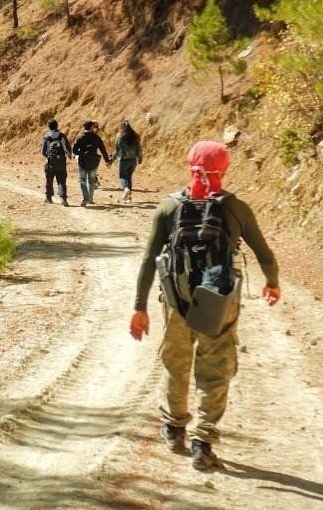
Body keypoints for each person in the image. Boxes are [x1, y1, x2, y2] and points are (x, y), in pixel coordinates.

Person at [131, 140, 280, 471]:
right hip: (220, 302)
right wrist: (272, 283)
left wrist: (139, 306)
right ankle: (203, 442)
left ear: (188, 166)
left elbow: (147, 261)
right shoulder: (236, 208)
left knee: (175, 364)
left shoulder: (168, 208)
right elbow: (265, 254)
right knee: (215, 370)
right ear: (224, 170)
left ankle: (174, 428)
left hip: (176, 300)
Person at [72, 120, 112, 207]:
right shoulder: (97, 138)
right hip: (94, 162)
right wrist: (107, 161)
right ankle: (90, 199)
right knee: (91, 181)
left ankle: (85, 197)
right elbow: (103, 150)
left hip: (82, 162)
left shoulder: (79, 137)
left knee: (82, 180)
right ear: (91, 127)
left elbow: (74, 150)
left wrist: (80, 154)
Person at [41, 118, 73, 206]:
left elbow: (43, 152)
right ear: (57, 125)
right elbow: (68, 148)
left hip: (50, 163)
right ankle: (64, 199)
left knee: (49, 180)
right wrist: (69, 156)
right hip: (61, 162)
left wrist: (49, 157)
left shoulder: (46, 137)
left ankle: (49, 198)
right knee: (61, 181)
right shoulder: (62, 136)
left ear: (48, 126)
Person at [112, 120, 143, 203]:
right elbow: (139, 148)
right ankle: (129, 198)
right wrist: (140, 158)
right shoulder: (135, 136)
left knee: (122, 176)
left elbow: (117, 151)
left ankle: (126, 189)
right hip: (133, 160)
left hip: (124, 159)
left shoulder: (120, 136)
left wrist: (111, 160)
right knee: (129, 177)